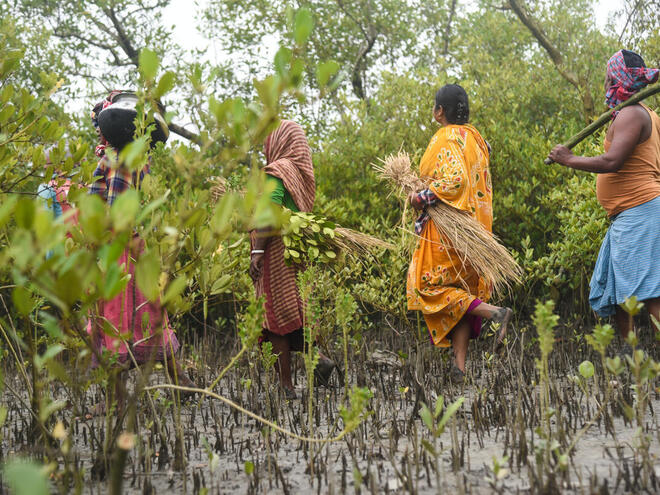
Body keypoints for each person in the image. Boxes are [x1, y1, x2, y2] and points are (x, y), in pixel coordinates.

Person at [87, 92, 195, 407]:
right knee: (144, 317)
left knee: (120, 320)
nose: (97, 130)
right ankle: (176, 385)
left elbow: (118, 213)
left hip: (119, 249)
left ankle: (121, 400)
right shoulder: (127, 159)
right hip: (126, 248)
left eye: (99, 124)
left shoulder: (118, 159)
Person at [548, 49, 660, 342]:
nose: (606, 84)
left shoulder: (633, 114)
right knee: (621, 290)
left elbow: (613, 162)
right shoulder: (638, 114)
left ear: (619, 78)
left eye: (610, 78)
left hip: (640, 211)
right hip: (630, 215)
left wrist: (568, 158)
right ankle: (628, 353)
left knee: (647, 294)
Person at [407, 84, 513, 381]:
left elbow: (454, 182)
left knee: (427, 286)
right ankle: (459, 368)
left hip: (450, 232)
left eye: (434, 106)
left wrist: (420, 197)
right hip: (476, 232)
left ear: (440, 111)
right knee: (463, 294)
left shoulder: (445, 137)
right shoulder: (476, 139)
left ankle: (494, 312)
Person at [249, 120, 335, 399]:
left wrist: (257, 251)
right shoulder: (298, 173)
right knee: (294, 312)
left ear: (279, 142)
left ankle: (286, 385)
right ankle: (319, 359)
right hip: (293, 253)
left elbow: (271, 211)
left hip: (274, 255)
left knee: (275, 318)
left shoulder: (277, 172)